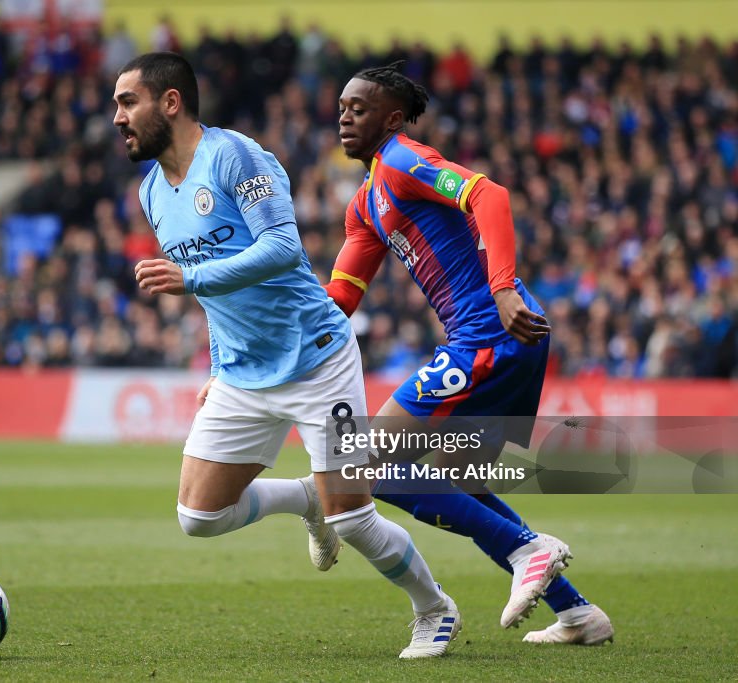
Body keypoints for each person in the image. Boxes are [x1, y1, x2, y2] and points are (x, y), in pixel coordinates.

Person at [114, 52, 460, 659]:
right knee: (199, 516)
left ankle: (434, 608)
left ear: (170, 102)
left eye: (127, 102)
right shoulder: (151, 191)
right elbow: (217, 298)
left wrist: (190, 281)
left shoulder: (235, 157)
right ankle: (305, 499)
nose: (117, 116)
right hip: (242, 373)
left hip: (319, 359)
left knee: (353, 517)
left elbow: (280, 248)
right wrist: (220, 365)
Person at [317, 62, 613, 645]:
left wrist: (502, 287)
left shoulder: (402, 160)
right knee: (457, 481)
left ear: (392, 118)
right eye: (342, 106)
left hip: (494, 332)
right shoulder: (365, 204)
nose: (345, 116)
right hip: (494, 337)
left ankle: (529, 548)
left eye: (360, 107)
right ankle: (579, 615)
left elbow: (488, 194)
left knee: (367, 464)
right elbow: (338, 304)